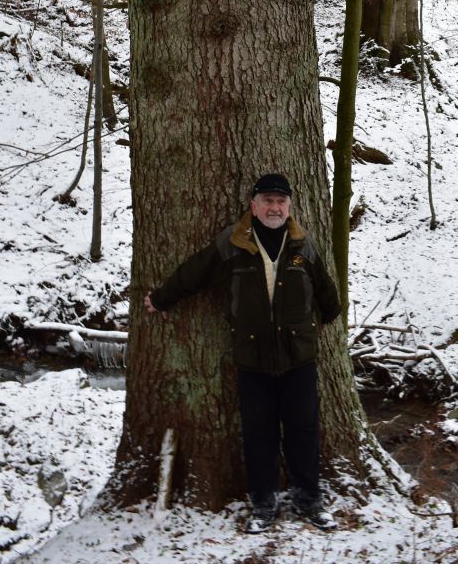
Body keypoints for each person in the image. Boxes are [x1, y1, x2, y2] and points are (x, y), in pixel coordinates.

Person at [144, 172, 341, 533]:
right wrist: (161, 298)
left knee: (303, 432)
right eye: (267, 201)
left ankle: (308, 499)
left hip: (298, 360)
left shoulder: (302, 245)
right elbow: (195, 272)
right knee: (259, 435)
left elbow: (324, 285)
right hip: (253, 361)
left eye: (281, 202)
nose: (274, 208)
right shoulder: (232, 243)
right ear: (253, 206)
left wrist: (331, 311)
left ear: (289, 208)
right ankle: (263, 505)